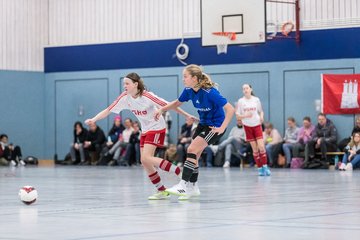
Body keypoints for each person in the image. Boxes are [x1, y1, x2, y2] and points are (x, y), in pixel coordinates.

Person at [85, 72, 194, 200]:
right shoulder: (125, 98)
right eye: (123, 83)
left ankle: (178, 171)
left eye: (127, 83)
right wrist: (94, 119)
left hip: (157, 127)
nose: (124, 86)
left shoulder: (147, 96)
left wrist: (186, 115)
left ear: (135, 84)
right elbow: (109, 109)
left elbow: (169, 105)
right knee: (144, 161)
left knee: (147, 157)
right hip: (145, 130)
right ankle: (162, 190)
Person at [155, 64, 235, 200]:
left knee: (191, 148)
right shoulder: (188, 90)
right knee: (194, 154)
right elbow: (176, 103)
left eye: (185, 76)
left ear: (194, 78)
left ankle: (183, 184)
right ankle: (193, 188)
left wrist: (222, 127)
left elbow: (230, 109)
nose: (183, 79)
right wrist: (162, 109)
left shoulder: (210, 92)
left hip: (214, 127)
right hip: (202, 124)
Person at [236, 84, 271, 176]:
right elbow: (238, 115)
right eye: (243, 89)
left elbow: (261, 111)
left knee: (261, 147)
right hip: (247, 126)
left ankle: (265, 167)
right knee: (255, 150)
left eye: (247, 88)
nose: (245, 90)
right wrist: (245, 116)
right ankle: (260, 169)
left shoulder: (256, 100)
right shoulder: (241, 101)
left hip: (257, 125)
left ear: (251, 89)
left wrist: (262, 117)